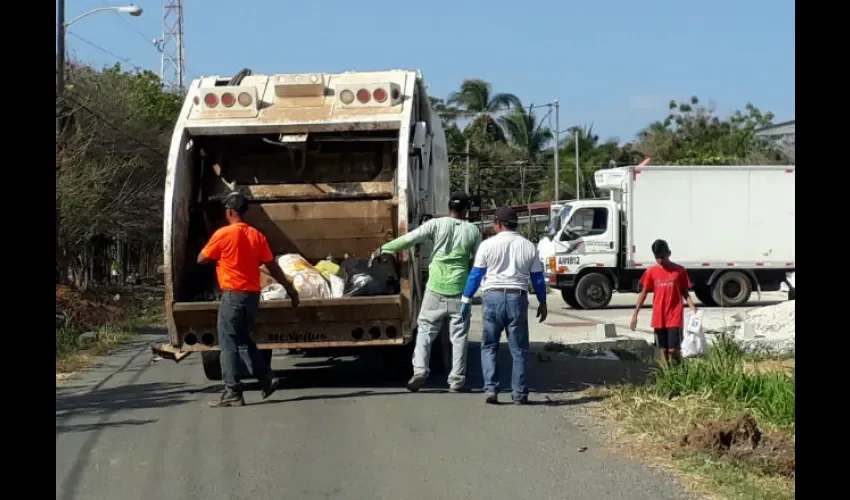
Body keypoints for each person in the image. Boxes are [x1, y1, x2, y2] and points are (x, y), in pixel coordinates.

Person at [198, 192, 301, 408]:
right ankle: (266, 379)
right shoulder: (256, 235)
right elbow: (272, 266)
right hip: (252, 296)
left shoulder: (223, 234)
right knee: (244, 339)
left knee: (228, 344)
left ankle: (232, 392)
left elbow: (202, 258)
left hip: (233, 295)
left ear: (230, 211)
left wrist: (221, 258)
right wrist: (290, 289)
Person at [375, 191, 481, 393]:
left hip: (435, 288)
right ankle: (457, 381)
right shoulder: (473, 231)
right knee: (458, 337)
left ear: (450, 207)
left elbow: (410, 238)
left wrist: (384, 249)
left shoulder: (436, 224)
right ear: (466, 209)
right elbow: (477, 261)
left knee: (425, 330)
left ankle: (420, 371)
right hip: (460, 290)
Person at [460, 207, 548, 405]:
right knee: (518, 349)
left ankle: (491, 388)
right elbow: (537, 278)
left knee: (489, 345)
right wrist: (542, 302)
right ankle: (519, 394)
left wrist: (466, 299)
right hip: (517, 298)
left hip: (492, 297)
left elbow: (476, 275)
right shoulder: (529, 246)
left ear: (499, 224)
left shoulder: (487, 245)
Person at [630, 239, 697, 366]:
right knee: (663, 350)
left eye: (662, 257)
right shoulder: (651, 272)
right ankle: (665, 376)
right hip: (659, 316)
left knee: (673, 350)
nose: (660, 260)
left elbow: (684, 291)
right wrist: (635, 315)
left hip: (674, 315)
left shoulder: (679, 271)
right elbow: (643, 293)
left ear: (669, 253)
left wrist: (693, 308)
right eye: (657, 258)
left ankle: (680, 371)